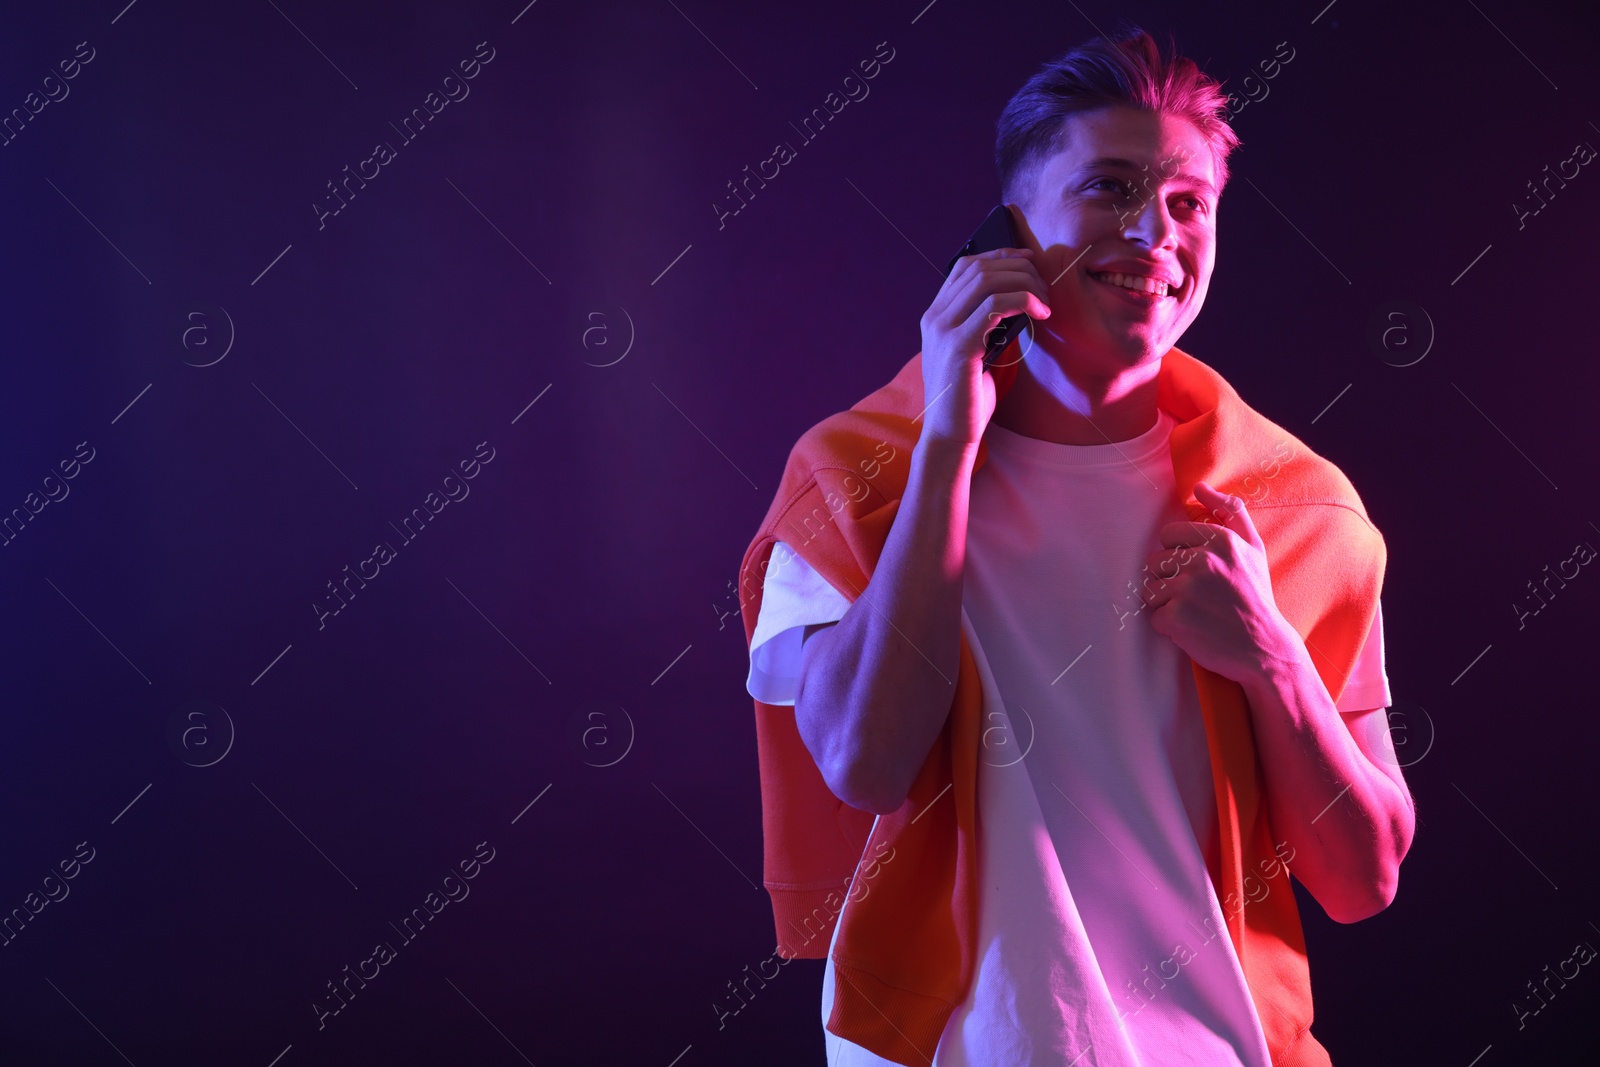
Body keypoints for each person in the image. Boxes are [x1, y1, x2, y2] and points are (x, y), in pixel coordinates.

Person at [738, 27, 1415, 1067]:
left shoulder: (1299, 510)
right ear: (1009, 229)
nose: (1152, 230)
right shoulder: (853, 473)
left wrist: (1272, 655)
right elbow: (864, 760)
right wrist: (946, 444)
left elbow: (1361, 876)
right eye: (1107, 187)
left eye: (1188, 202)